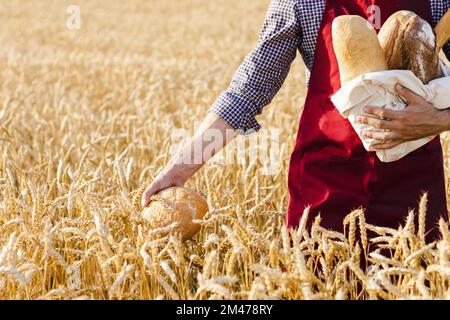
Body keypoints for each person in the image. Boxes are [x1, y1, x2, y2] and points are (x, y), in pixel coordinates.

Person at [142, 0, 450, 240]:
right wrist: (180, 168)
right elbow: (248, 90)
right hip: (326, 192)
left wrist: (437, 120)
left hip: (415, 191)